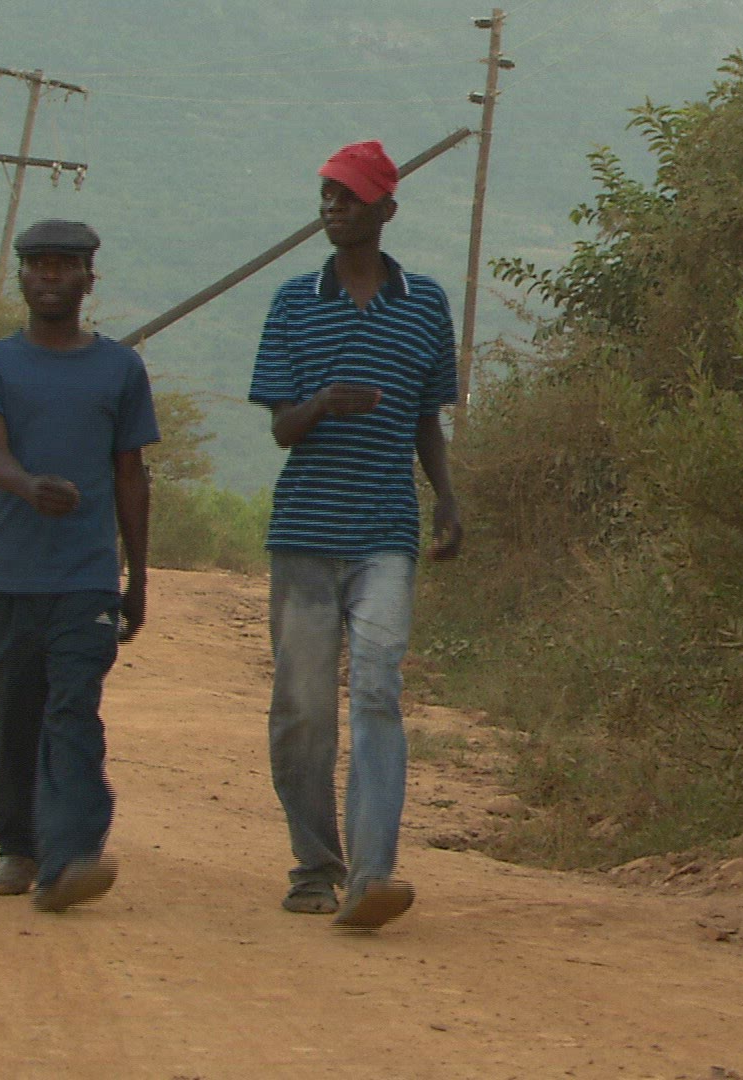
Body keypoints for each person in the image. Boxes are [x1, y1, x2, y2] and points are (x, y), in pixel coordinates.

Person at [248, 140, 462, 932]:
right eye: (328, 195)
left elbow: (426, 418)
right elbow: (281, 428)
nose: (333, 207)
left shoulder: (425, 304)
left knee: (377, 691)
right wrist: (325, 404)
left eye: (349, 196)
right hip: (304, 533)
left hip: (385, 535)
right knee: (303, 708)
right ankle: (315, 867)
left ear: (386, 210)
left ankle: (372, 874)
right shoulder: (293, 302)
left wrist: (446, 498)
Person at [0, 219, 159, 913]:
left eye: (63, 266)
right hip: (6, 576)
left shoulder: (120, 369)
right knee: (13, 716)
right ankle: (18, 847)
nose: (48, 276)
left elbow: (130, 474)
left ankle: (71, 857)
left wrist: (137, 577)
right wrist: (26, 485)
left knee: (73, 711)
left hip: (87, 578)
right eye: (37, 264)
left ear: (88, 280)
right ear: (22, 277)